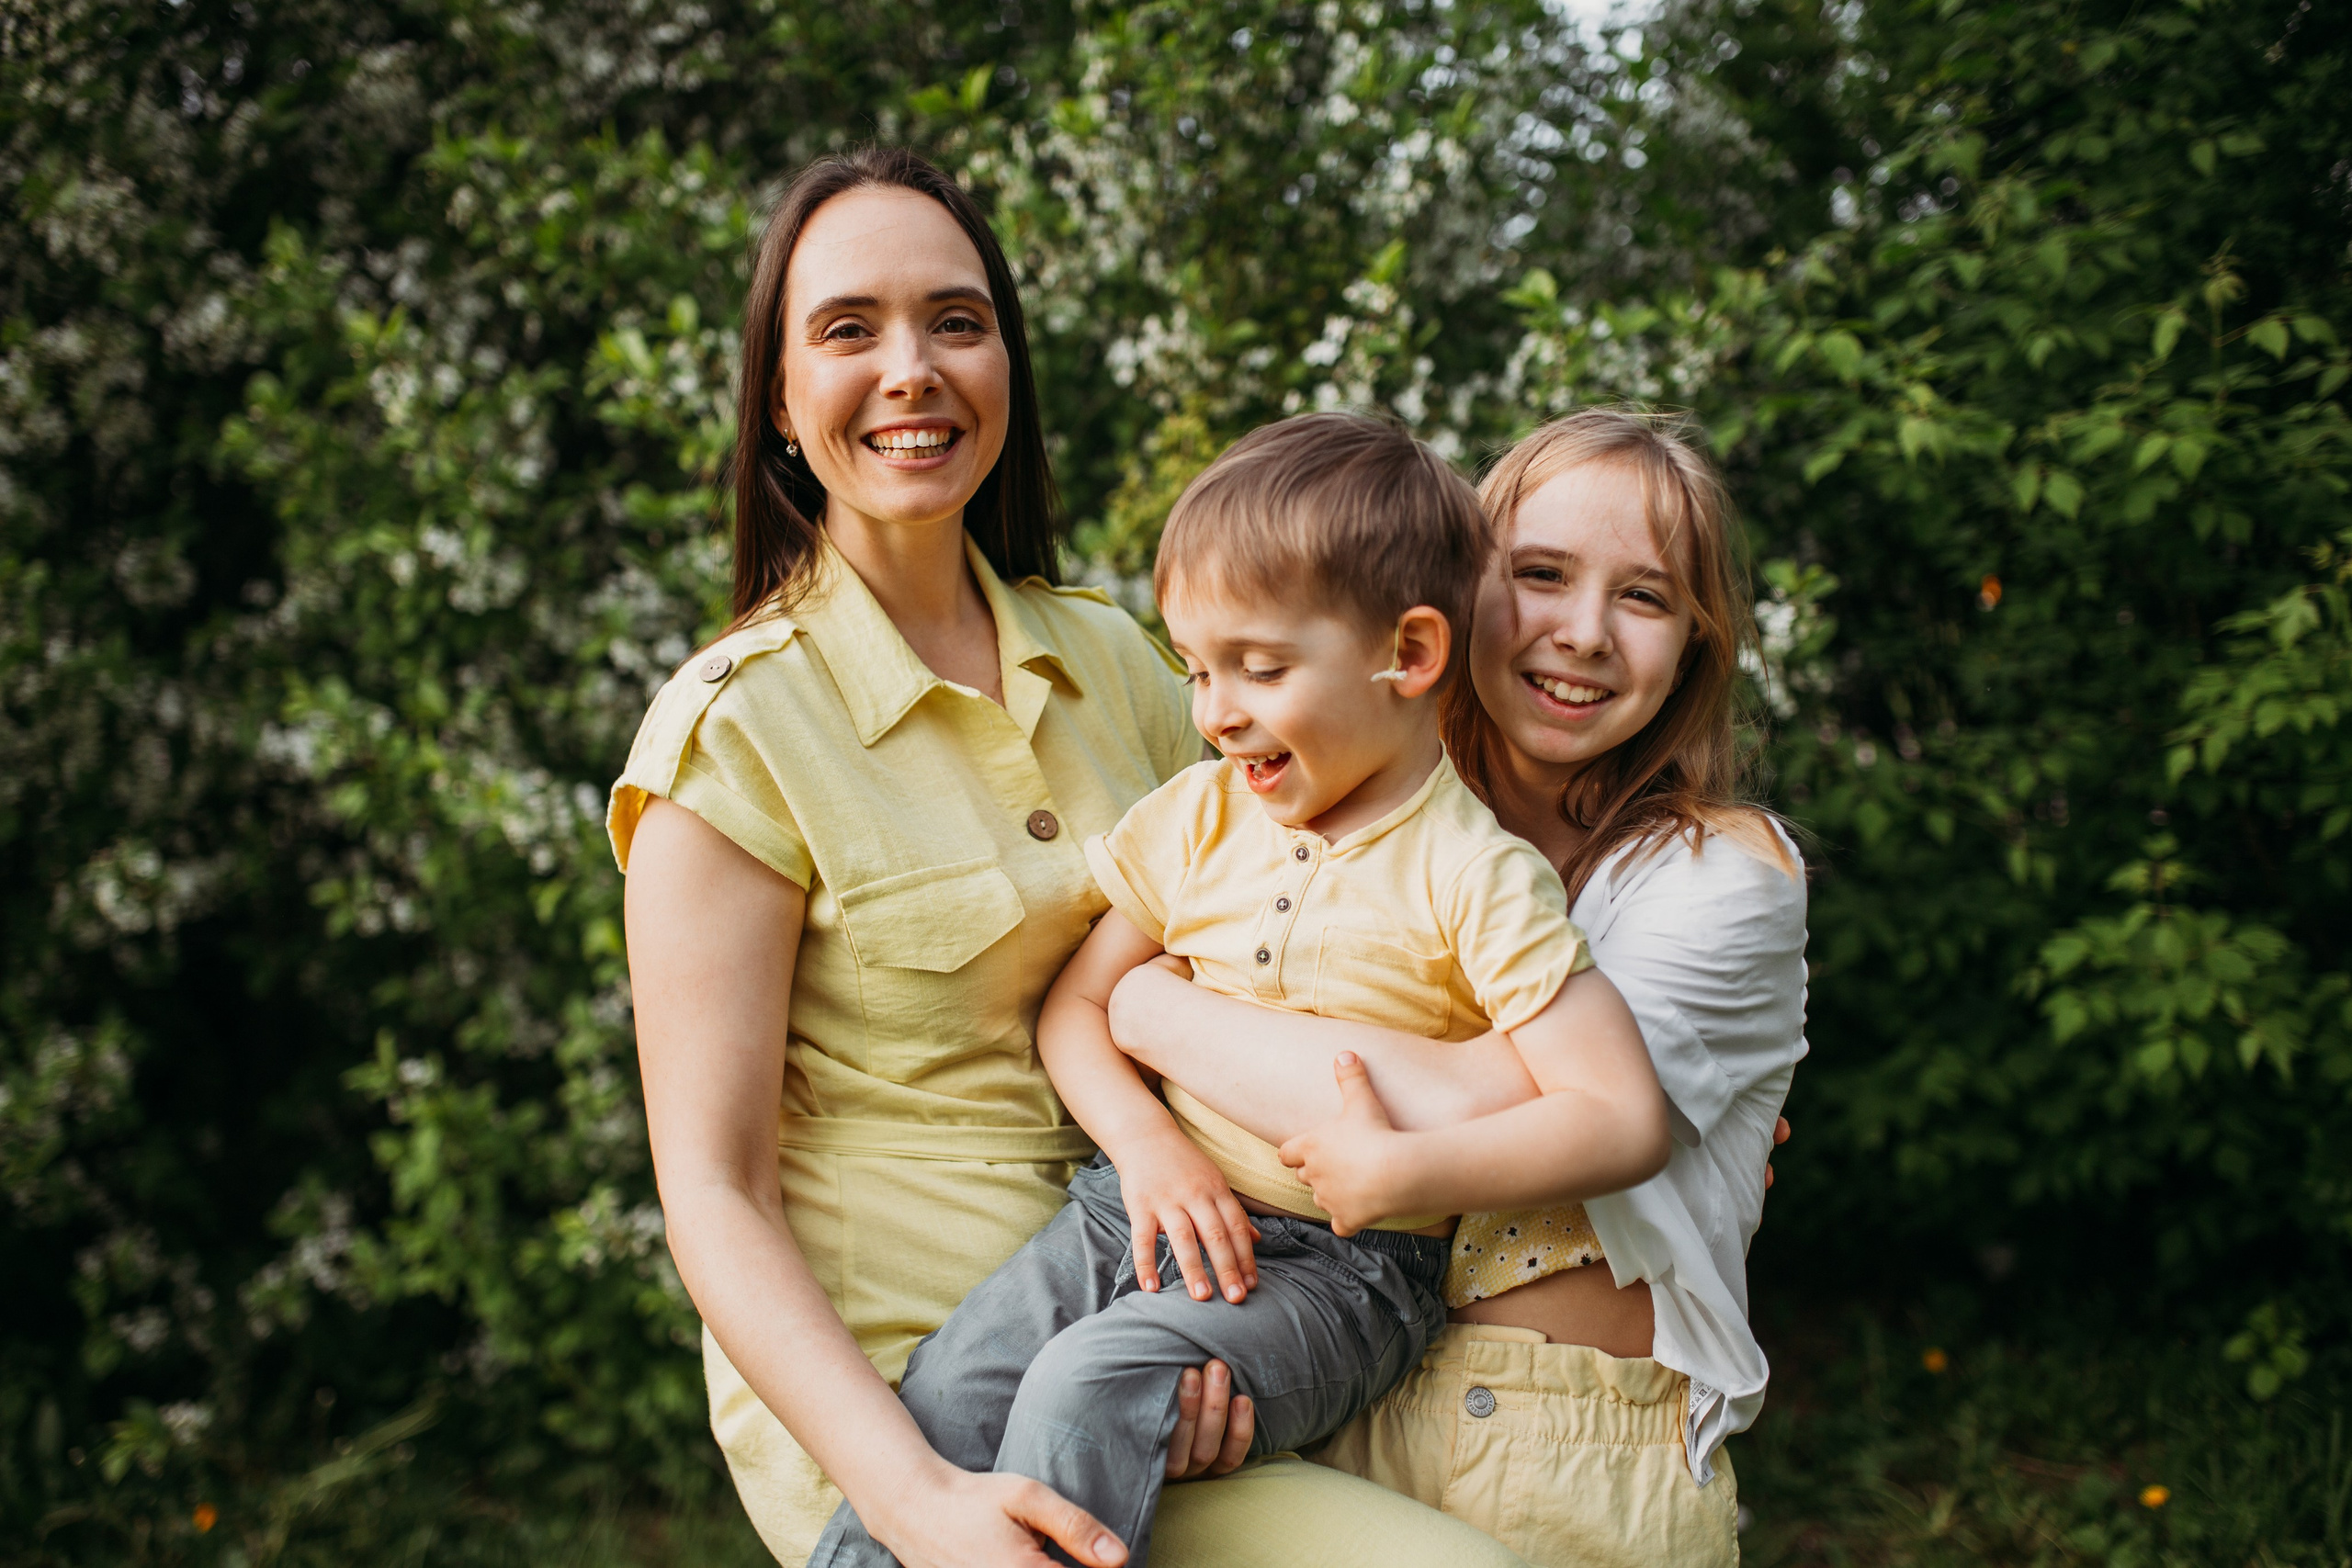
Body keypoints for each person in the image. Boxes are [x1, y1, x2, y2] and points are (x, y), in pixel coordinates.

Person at [615, 146, 1541, 1568]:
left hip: (1199, 1304)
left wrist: (1650, 1062)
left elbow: (1364, 907)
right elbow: (713, 1195)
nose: (913, 366)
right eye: (849, 328)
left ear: (1008, 367)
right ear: (781, 407)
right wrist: (918, 1503)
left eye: (958, 321)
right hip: (915, 1419)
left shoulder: (1130, 663)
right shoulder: (734, 731)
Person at [808, 412, 1671, 1568]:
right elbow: (1078, 1007)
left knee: (1089, 1382)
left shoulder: (1475, 875)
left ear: (1408, 656)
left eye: (1259, 669)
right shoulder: (1202, 817)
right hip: (1134, 1209)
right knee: (953, 1387)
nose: (1216, 711)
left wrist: (1409, 1171)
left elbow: (1619, 1116)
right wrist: (1148, 1151)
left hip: (1337, 1272)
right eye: (1198, 669)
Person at [1106, 408, 1809, 1568]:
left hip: (1563, 1446)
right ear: (1441, 602)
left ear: (1695, 640)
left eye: (1643, 598)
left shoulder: (1718, 875)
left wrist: (1150, 1008)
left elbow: (1472, 1107)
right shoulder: (1348, 824)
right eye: (1539, 575)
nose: (1582, 633)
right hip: (1327, 1381)